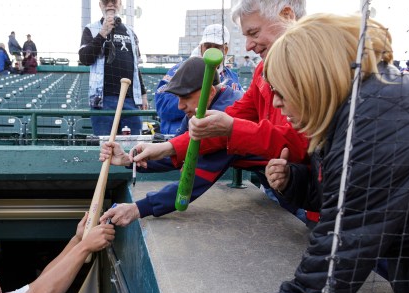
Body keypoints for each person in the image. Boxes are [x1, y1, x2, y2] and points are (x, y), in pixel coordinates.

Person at [228, 13, 409, 293]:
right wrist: (297, 181)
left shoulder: (379, 122)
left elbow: (348, 233)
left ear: (311, 80)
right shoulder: (367, 103)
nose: (276, 101)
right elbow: (346, 196)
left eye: (281, 90)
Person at [126, 0, 310, 211]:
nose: (249, 45)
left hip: (317, 197)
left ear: (286, 16)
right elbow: (220, 130)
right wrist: (166, 147)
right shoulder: (262, 71)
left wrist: (232, 127)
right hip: (290, 188)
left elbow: (299, 143)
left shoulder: (314, 66)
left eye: (254, 32)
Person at [100, 56, 252, 226]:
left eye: (185, 97)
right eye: (178, 98)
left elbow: (195, 179)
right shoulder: (198, 110)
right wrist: (130, 160)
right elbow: (180, 152)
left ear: (210, 93)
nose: (180, 106)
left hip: (278, 172)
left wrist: (138, 209)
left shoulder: (226, 113)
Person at [155, 24, 243, 135]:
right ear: (201, 47)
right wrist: (194, 102)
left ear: (225, 50)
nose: (211, 50)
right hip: (176, 134)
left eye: (216, 47)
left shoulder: (231, 77)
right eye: (207, 46)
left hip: (215, 135)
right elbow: (162, 106)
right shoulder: (181, 70)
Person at [79, 0, 149, 136]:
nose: (110, 4)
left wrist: (143, 93)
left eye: (114, 1)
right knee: (105, 146)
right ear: (100, 5)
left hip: (130, 99)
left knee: (132, 146)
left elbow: (135, 66)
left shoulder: (130, 32)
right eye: (106, 1)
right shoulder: (91, 28)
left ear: (120, 5)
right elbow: (85, 59)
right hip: (103, 99)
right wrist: (102, 33)